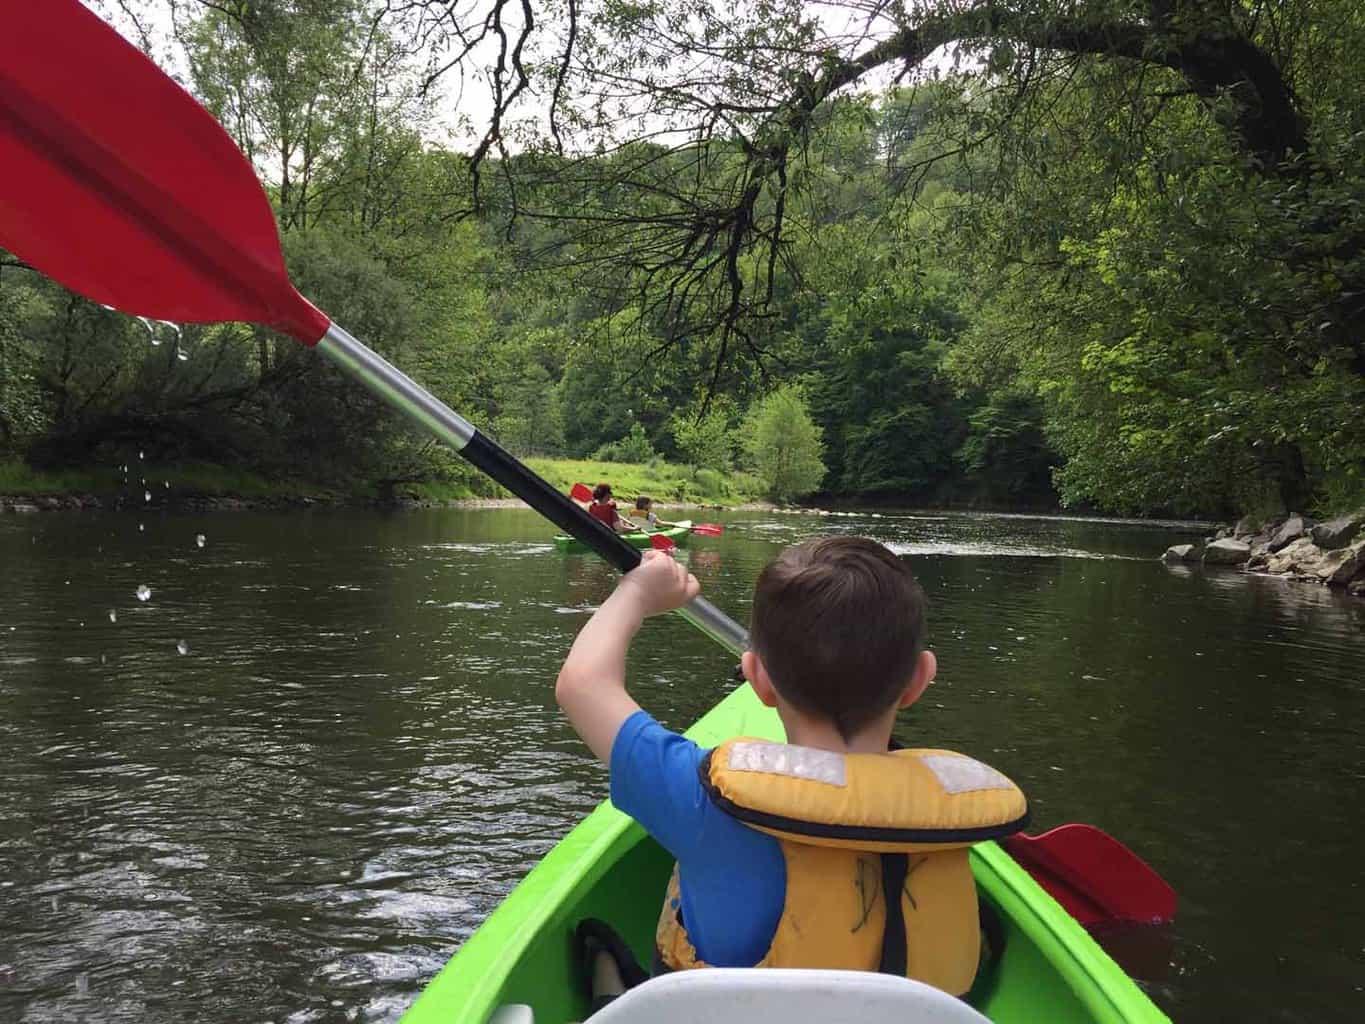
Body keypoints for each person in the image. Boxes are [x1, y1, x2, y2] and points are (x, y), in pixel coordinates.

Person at [555, 537, 1027, 1009]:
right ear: (918, 680)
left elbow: (583, 684)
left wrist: (637, 591)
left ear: (757, 679)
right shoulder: (954, 816)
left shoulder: (699, 798)